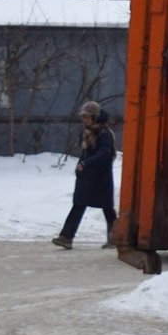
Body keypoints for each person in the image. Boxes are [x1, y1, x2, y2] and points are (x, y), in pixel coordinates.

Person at [53, 101, 117, 249]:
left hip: (101, 177)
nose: (85, 120)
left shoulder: (105, 133)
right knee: (79, 204)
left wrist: (87, 163)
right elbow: (85, 153)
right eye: (84, 117)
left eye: (87, 117)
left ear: (95, 117)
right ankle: (66, 237)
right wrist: (80, 167)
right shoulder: (87, 132)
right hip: (87, 177)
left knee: (107, 208)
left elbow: (105, 154)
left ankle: (115, 238)